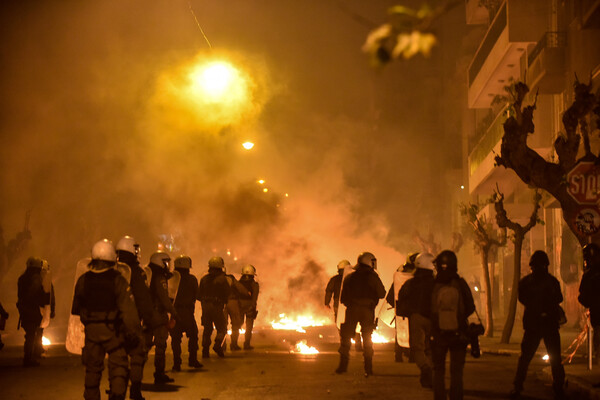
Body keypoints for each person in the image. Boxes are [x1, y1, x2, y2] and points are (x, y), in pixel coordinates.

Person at [71, 239, 141, 400]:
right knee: (118, 368)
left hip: (91, 332)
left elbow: (76, 309)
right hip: (113, 332)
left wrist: (89, 324)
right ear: (112, 258)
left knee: (92, 371)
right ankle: (116, 396)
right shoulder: (118, 280)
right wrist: (134, 334)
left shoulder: (83, 280)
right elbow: (128, 311)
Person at [510, 250, 566, 399]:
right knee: (555, 359)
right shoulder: (552, 282)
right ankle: (558, 387)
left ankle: (517, 386)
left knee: (525, 359)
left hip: (533, 325)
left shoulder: (526, 282)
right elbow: (559, 298)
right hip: (548, 325)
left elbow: (522, 298)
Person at [430, 250, 475, 400]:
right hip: (458, 334)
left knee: (438, 371)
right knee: (456, 372)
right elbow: (470, 306)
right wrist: (459, 319)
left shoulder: (433, 285)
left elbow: (428, 308)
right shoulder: (460, 284)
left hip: (438, 334)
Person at [335, 252, 386, 377]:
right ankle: (368, 368)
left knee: (346, 337)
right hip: (367, 311)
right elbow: (381, 293)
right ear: (369, 262)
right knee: (367, 338)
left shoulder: (350, 277)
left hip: (352, 309)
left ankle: (343, 366)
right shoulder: (373, 277)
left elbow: (343, 298)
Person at [116, 236, 154, 400]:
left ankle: (117, 391)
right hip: (132, 321)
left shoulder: (112, 270)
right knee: (137, 355)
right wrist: (149, 321)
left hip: (114, 322)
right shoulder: (136, 272)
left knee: (118, 359)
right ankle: (135, 391)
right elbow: (143, 299)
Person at [397, 252, 435, 388]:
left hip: (416, 318)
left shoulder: (411, 283)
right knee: (431, 348)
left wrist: (403, 313)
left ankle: (424, 367)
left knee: (417, 348)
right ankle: (430, 369)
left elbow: (401, 299)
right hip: (433, 319)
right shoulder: (437, 283)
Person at [147, 250, 178, 384]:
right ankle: (159, 374)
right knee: (160, 345)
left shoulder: (148, 274)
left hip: (147, 314)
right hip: (158, 315)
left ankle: (133, 376)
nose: (167, 265)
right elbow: (164, 298)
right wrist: (174, 312)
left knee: (144, 345)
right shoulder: (160, 277)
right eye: (166, 262)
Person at [17, 256, 52, 367]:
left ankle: (29, 357)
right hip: (31, 308)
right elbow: (34, 293)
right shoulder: (36, 278)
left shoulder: (22, 278)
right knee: (31, 334)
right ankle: (28, 359)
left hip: (24, 308)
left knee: (30, 334)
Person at [170, 255, 203, 370]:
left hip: (174, 312)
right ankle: (192, 360)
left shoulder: (171, 278)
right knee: (193, 335)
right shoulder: (192, 279)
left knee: (175, 338)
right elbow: (197, 295)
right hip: (187, 312)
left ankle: (176, 363)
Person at [387, 252, 419, 362]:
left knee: (400, 331)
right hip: (416, 310)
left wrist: (396, 305)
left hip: (402, 309)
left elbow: (391, 296)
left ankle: (399, 354)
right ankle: (412, 356)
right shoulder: (422, 276)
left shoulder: (400, 276)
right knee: (415, 332)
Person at [326, 259, 363, 351]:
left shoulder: (334, 279)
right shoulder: (355, 278)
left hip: (338, 305)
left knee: (340, 324)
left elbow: (329, 291)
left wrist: (326, 302)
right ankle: (358, 346)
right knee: (355, 323)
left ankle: (344, 345)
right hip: (352, 303)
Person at [197, 256, 230, 358]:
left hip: (205, 307)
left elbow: (198, 295)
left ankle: (205, 351)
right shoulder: (222, 280)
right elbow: (227, 294)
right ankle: (217, 344)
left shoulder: (204, 279)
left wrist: (205, 301)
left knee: (207, 329)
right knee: (222, 328)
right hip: (217, 306)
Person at [579, 243, 600, 364]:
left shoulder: (589, 275)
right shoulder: (589, 275)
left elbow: (583, 295)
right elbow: (583, 295)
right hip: (596, 315)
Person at [223, 264, 251, 351]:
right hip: (232, 302)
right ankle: (234, 345)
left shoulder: (210, 279)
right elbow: (240, 288)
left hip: (220, 303)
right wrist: (247, 293)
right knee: (235, 324)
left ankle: (222, 345)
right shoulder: (230, 278)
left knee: (222, 325)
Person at [238, 264, 260, 350]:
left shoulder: (238, 283)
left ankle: (233, 344)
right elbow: (254, 297)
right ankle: (246, 344)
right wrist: (253, 306)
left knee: (236, 325)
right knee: (249, 326)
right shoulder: (254, 285)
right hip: (250, 306)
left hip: (239, 305)